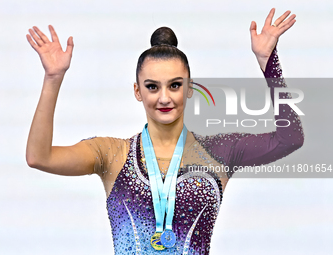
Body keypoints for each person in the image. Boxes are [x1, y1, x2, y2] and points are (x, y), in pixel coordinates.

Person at [26, 8, 304, 255]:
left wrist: (269, 63)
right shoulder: (112, 154)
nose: (164, 98)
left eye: (174, 85)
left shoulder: (219, 152)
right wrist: (53, 79)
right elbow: (39, 157)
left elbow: (290, 138)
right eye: (152, 86)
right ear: (137, 91)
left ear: (190, 88)